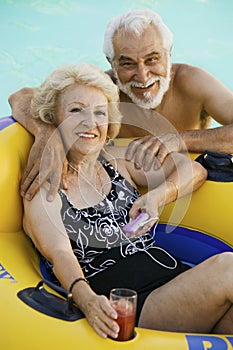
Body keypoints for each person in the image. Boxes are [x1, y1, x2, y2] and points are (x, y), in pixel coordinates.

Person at [22, 62, 221, 340]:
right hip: (127, 304)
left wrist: (155, 198)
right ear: (53, 118)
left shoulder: (118, 161)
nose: (90, 123)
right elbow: (60, 254)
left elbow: (194, 169)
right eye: (76, 110)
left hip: (172, 280)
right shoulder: (48, 184)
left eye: (99, 113)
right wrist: (88, 301)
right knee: (228, 267)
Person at [8, 9, 233, 200]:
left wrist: (179, 139)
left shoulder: (192, 82)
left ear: (169, 54)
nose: (143, 76)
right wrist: (47, 133)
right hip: (124, 196)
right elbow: (20, 96)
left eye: (152, 59)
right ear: (111, 63)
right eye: (127, 64)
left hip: (187, 185)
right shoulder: (103, 89)